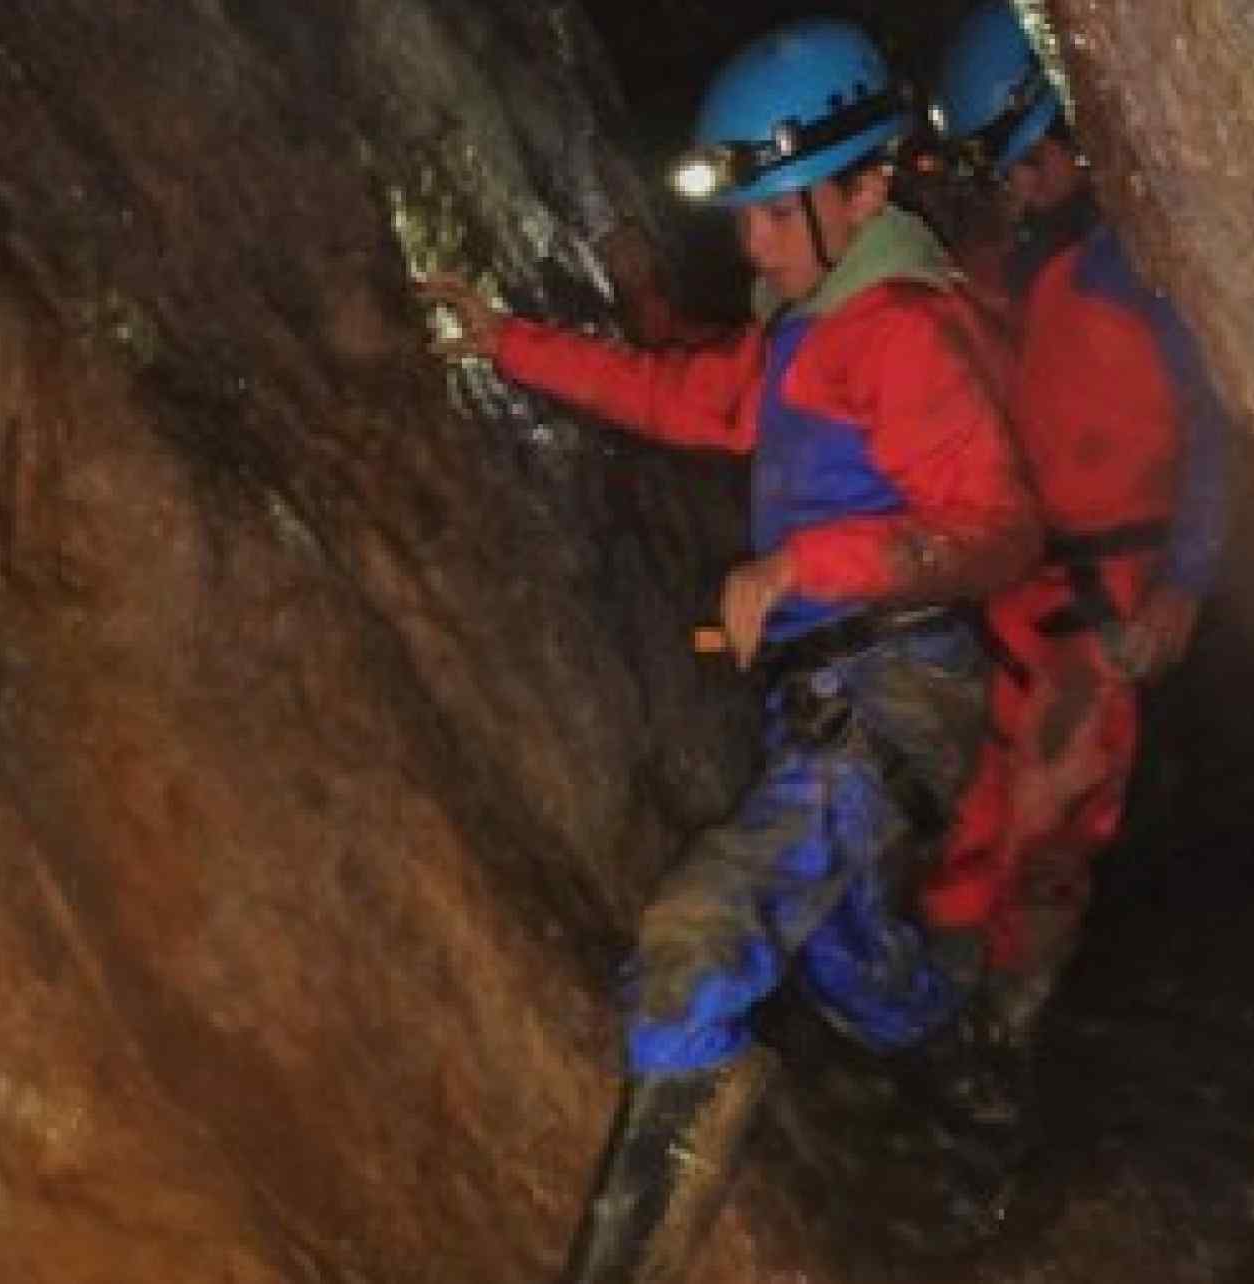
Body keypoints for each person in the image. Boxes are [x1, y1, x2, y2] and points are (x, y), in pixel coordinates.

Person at [424, 18, 1039, 1281]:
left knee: (696, 946)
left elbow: (999, 531)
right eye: (743, 214)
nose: (750, 242)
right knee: (847, 955)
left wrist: (806, 565)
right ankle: (977, 1067)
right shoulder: (812, 329)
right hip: (825, 689)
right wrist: (503, 340)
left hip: (900, 684)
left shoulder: (907, 332)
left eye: (773, 211)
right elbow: (681, 394)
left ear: (866, 189)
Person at [920, 0, 1229, 1053]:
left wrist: (1187, 580)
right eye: (1004, 169)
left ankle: (1013, 1017)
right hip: (1024, 584)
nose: (1017, 184)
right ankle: (945, 993)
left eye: (1026, 160)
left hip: (1109, 601)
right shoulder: (1036, 262)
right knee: (982, 798)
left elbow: (1212, 423)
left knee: (1054, 816)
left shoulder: (1138, 267)